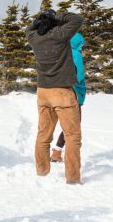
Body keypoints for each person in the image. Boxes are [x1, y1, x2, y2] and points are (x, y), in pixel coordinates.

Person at [26, 9, 84, 184]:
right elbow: (77, 19)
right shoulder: (59, 35)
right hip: (63, 92)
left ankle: (42, 171)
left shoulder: (34, 38)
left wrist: (42, 18)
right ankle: (72, 177)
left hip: (43, 92)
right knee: (73, 136)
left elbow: (29, 28)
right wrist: (57, 15)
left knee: (43, 134)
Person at [51, 32, 86, 162]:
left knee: (68, 126)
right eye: (81, 44)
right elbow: (79, 76)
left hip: (58, 93)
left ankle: (57, 152)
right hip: (75, 94)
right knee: (74, 127)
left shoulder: (61, 52)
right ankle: (60, 153)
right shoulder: (76, 54)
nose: (82, 46)